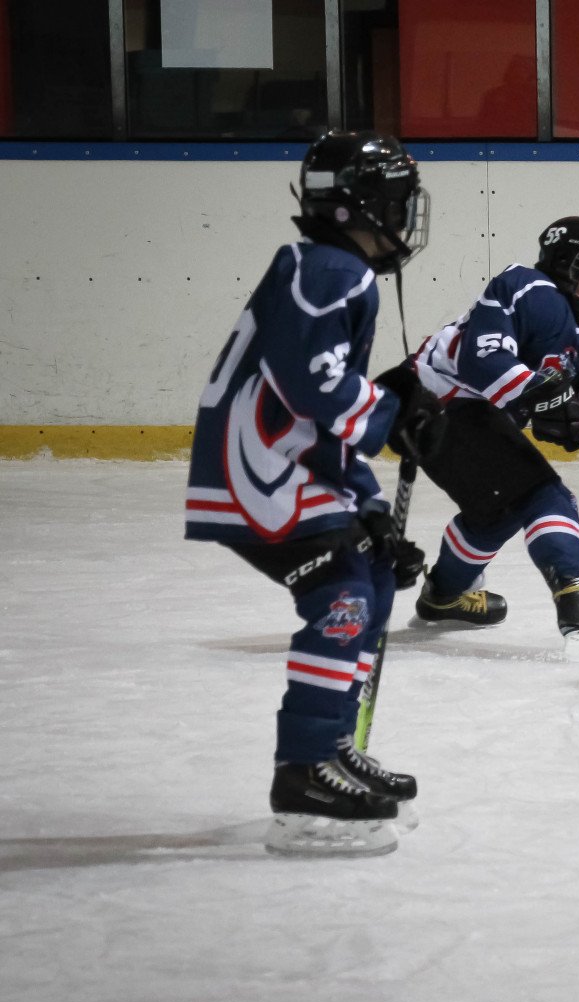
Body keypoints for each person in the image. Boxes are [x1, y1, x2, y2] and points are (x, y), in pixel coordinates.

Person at [183, 131, 445, 856]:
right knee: (342, 597)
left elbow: (318, 413)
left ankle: (330, 746)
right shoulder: (334, 269)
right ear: (362, 204)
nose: (405, 216)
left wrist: (367, 506)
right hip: (255, 471)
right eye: (397, 201)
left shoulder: (330, 268)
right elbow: (311, 386)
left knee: (373, 578)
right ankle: (303, 772)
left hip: (282, 463)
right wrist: (391, 415)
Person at [396, 215, 579, 653]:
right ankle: (576, 596)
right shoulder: (528, 288)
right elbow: (483, 361)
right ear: (566, 263)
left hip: (462, 414)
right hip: (430, 397)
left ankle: (444, 595)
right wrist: (540, 397)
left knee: (498, 511)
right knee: (545, 495)